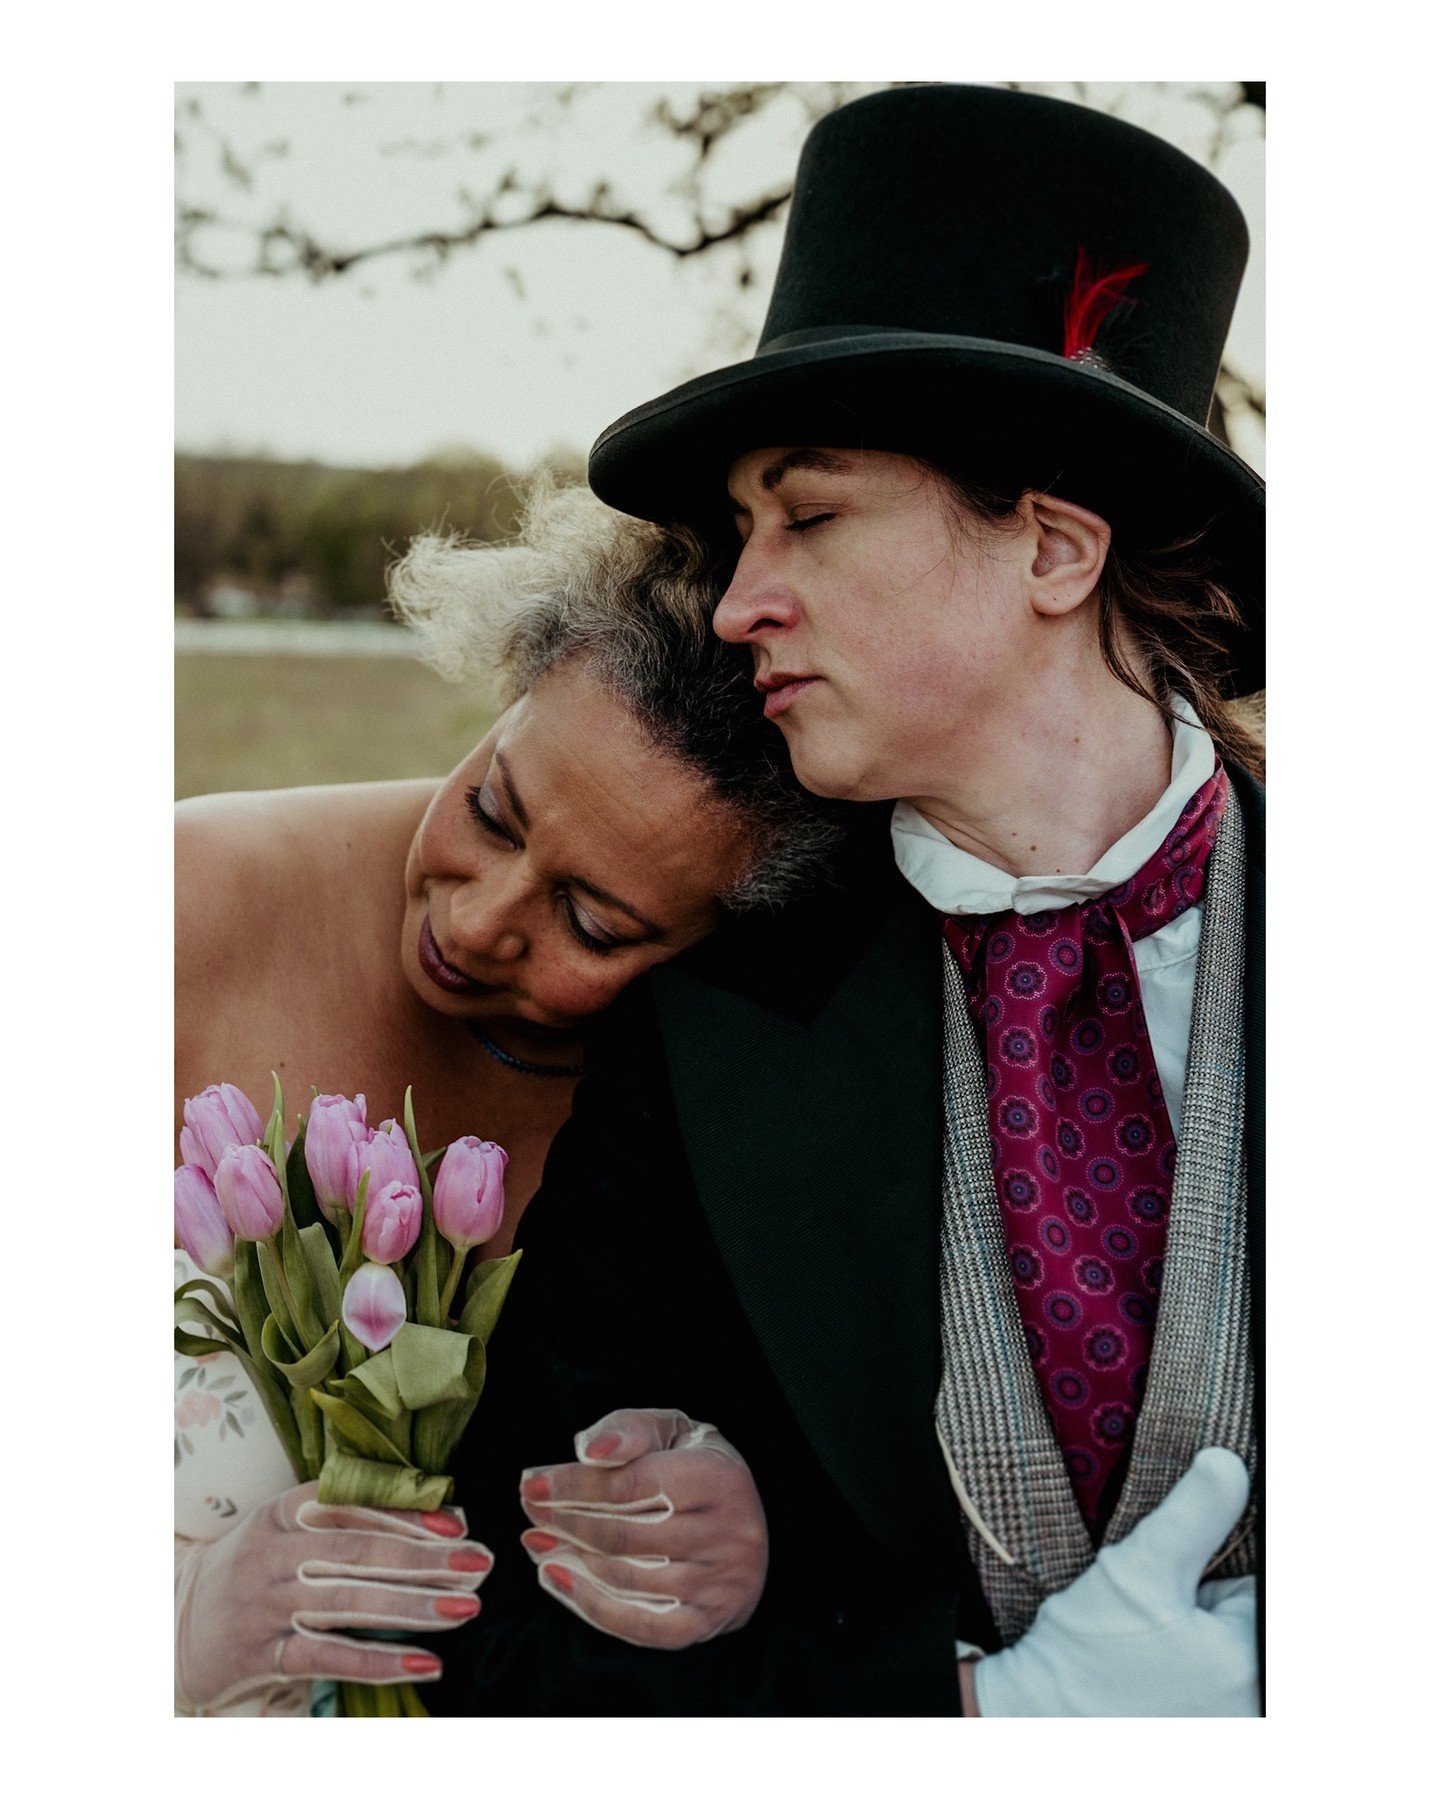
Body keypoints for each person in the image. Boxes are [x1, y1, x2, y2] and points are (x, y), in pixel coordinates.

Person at [430, 84, 1264, 1717]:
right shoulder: (713, 1027)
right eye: (738, 530)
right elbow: (507, 1630)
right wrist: (966, 1713)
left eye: (807, 513)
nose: (740, 598)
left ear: (1051, 549)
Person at [173, 486, 847, 1714]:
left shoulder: (712, 1122)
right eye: (490, 807)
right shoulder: (183, 905)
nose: (476, 922)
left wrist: (727, 1524)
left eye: (591, 922)